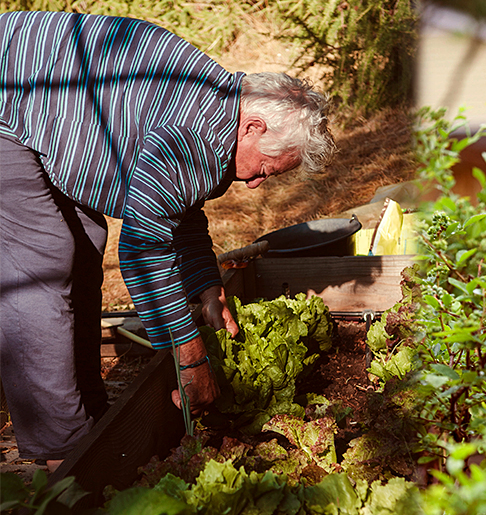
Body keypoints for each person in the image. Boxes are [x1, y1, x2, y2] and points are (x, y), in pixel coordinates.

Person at [0, 11, 335, 471]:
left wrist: (208, 288)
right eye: (265, 168)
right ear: (254, 127)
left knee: (85, 242)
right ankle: (60, 448)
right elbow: (140, 247)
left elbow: (178, 207)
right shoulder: (196, 132)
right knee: (42, 261)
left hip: (43, 96)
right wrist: (189, 354)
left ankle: (90, 418)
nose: (256, 184)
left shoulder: (221, 109)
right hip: (11, 95)